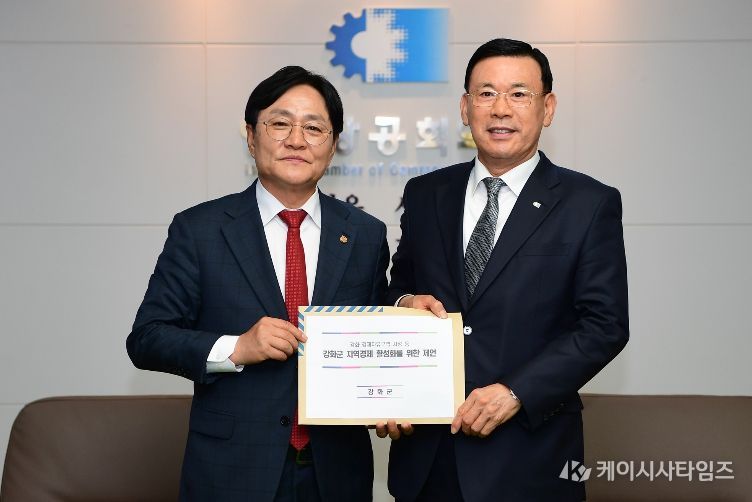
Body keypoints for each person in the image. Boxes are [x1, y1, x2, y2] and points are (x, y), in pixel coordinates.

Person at [380, 38, 629, 501]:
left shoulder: (589, 203)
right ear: (465, 107)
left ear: (547, 108)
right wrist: (404, 303)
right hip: (428, 459)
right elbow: (399, 287)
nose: (500, 109)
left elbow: (604, 325)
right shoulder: (426, 193)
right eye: (486, 93)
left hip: (531, 459)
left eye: (519, 94)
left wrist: (516, 392)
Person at [127, 66, 389, 502]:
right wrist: (236, 348)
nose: (297, 140)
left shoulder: (365, 234)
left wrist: (391, 398)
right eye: (280, 124)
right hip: (232, 471)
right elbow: (147, 339)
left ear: (333, 145)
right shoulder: (201, 229)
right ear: (251, 136)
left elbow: (375, 339)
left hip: (337, 473)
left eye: (314, 128)